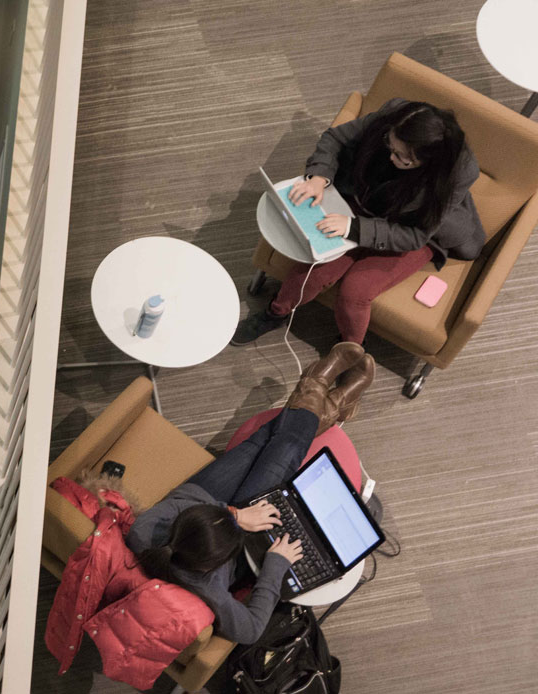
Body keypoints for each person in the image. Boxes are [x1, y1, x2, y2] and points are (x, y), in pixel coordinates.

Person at [126, 342, 375, 644]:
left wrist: (234, 514)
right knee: (285, 449)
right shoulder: (209, 588)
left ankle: (323, 395)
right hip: (234, 539)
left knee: (261, 441)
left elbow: (184, 502)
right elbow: (251, 629)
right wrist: (275, 565)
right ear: (212, 564)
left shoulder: (142, 533)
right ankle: (324, 396)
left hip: (203, 496)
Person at [231, 98, 485, 345]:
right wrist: (319, 177)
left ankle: (348, 352)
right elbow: (335, 138)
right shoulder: (396, 114)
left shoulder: (457, 173)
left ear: (428, 164)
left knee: (355, 293)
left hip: (409, 227)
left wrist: (354, 228)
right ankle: (276, 314)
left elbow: (416, 235)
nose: (391, 158)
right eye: (390, 145)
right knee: (315, 271)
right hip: (360, 203)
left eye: (403, 158)